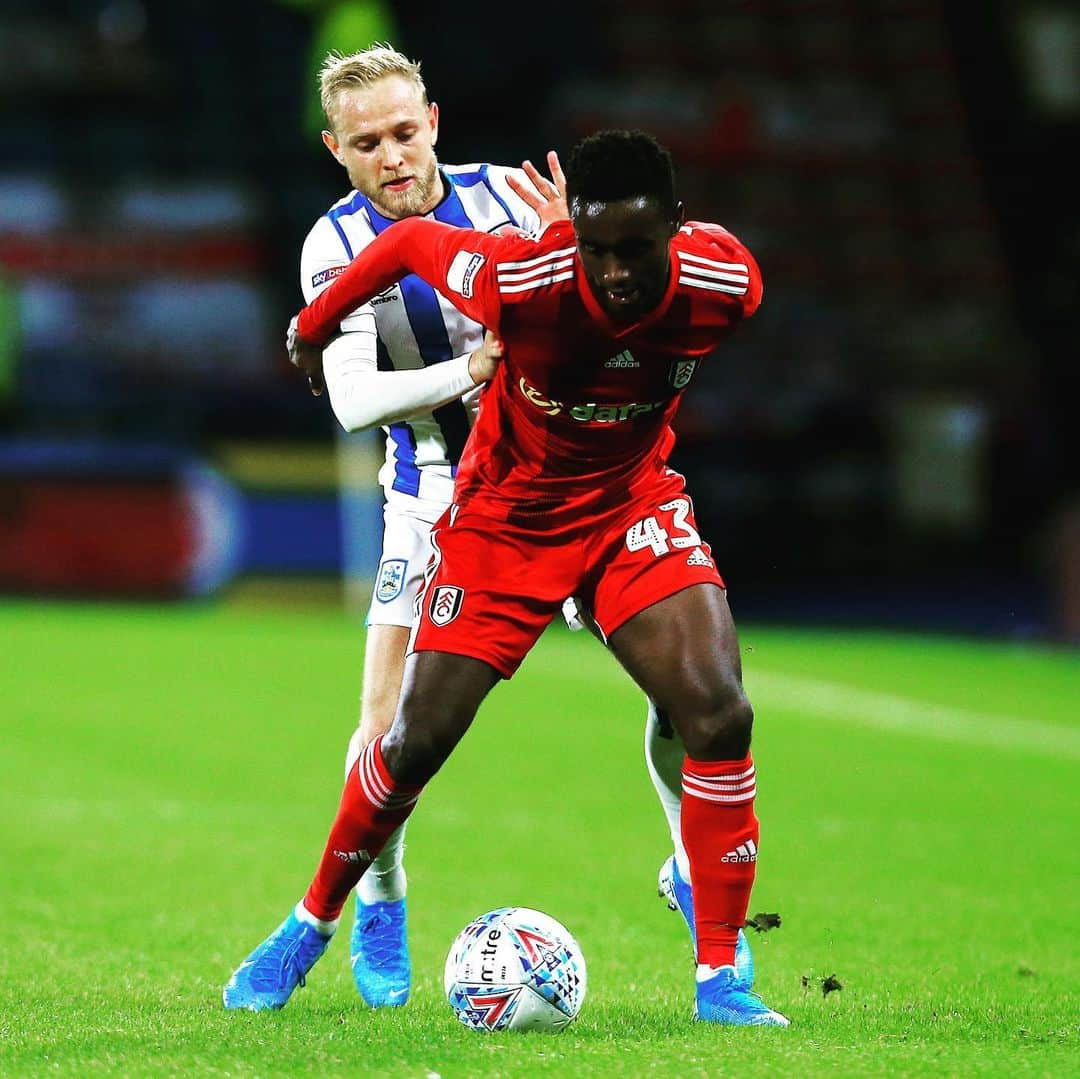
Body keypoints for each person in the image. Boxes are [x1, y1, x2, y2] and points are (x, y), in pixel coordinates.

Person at [222, 47, 732, 1012]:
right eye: (367, 142)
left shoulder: (511, 197)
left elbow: (621, 295)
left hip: (570, 485)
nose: (394, 156)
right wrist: (470, 371)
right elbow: (352, 399)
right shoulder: (332, 246)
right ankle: (377, 909)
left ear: (436, 122)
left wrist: (566, 258)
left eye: (406, 132)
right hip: (432, 496)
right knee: (387, 730)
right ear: (337, 150)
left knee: (682, 697)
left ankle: (688, 860)